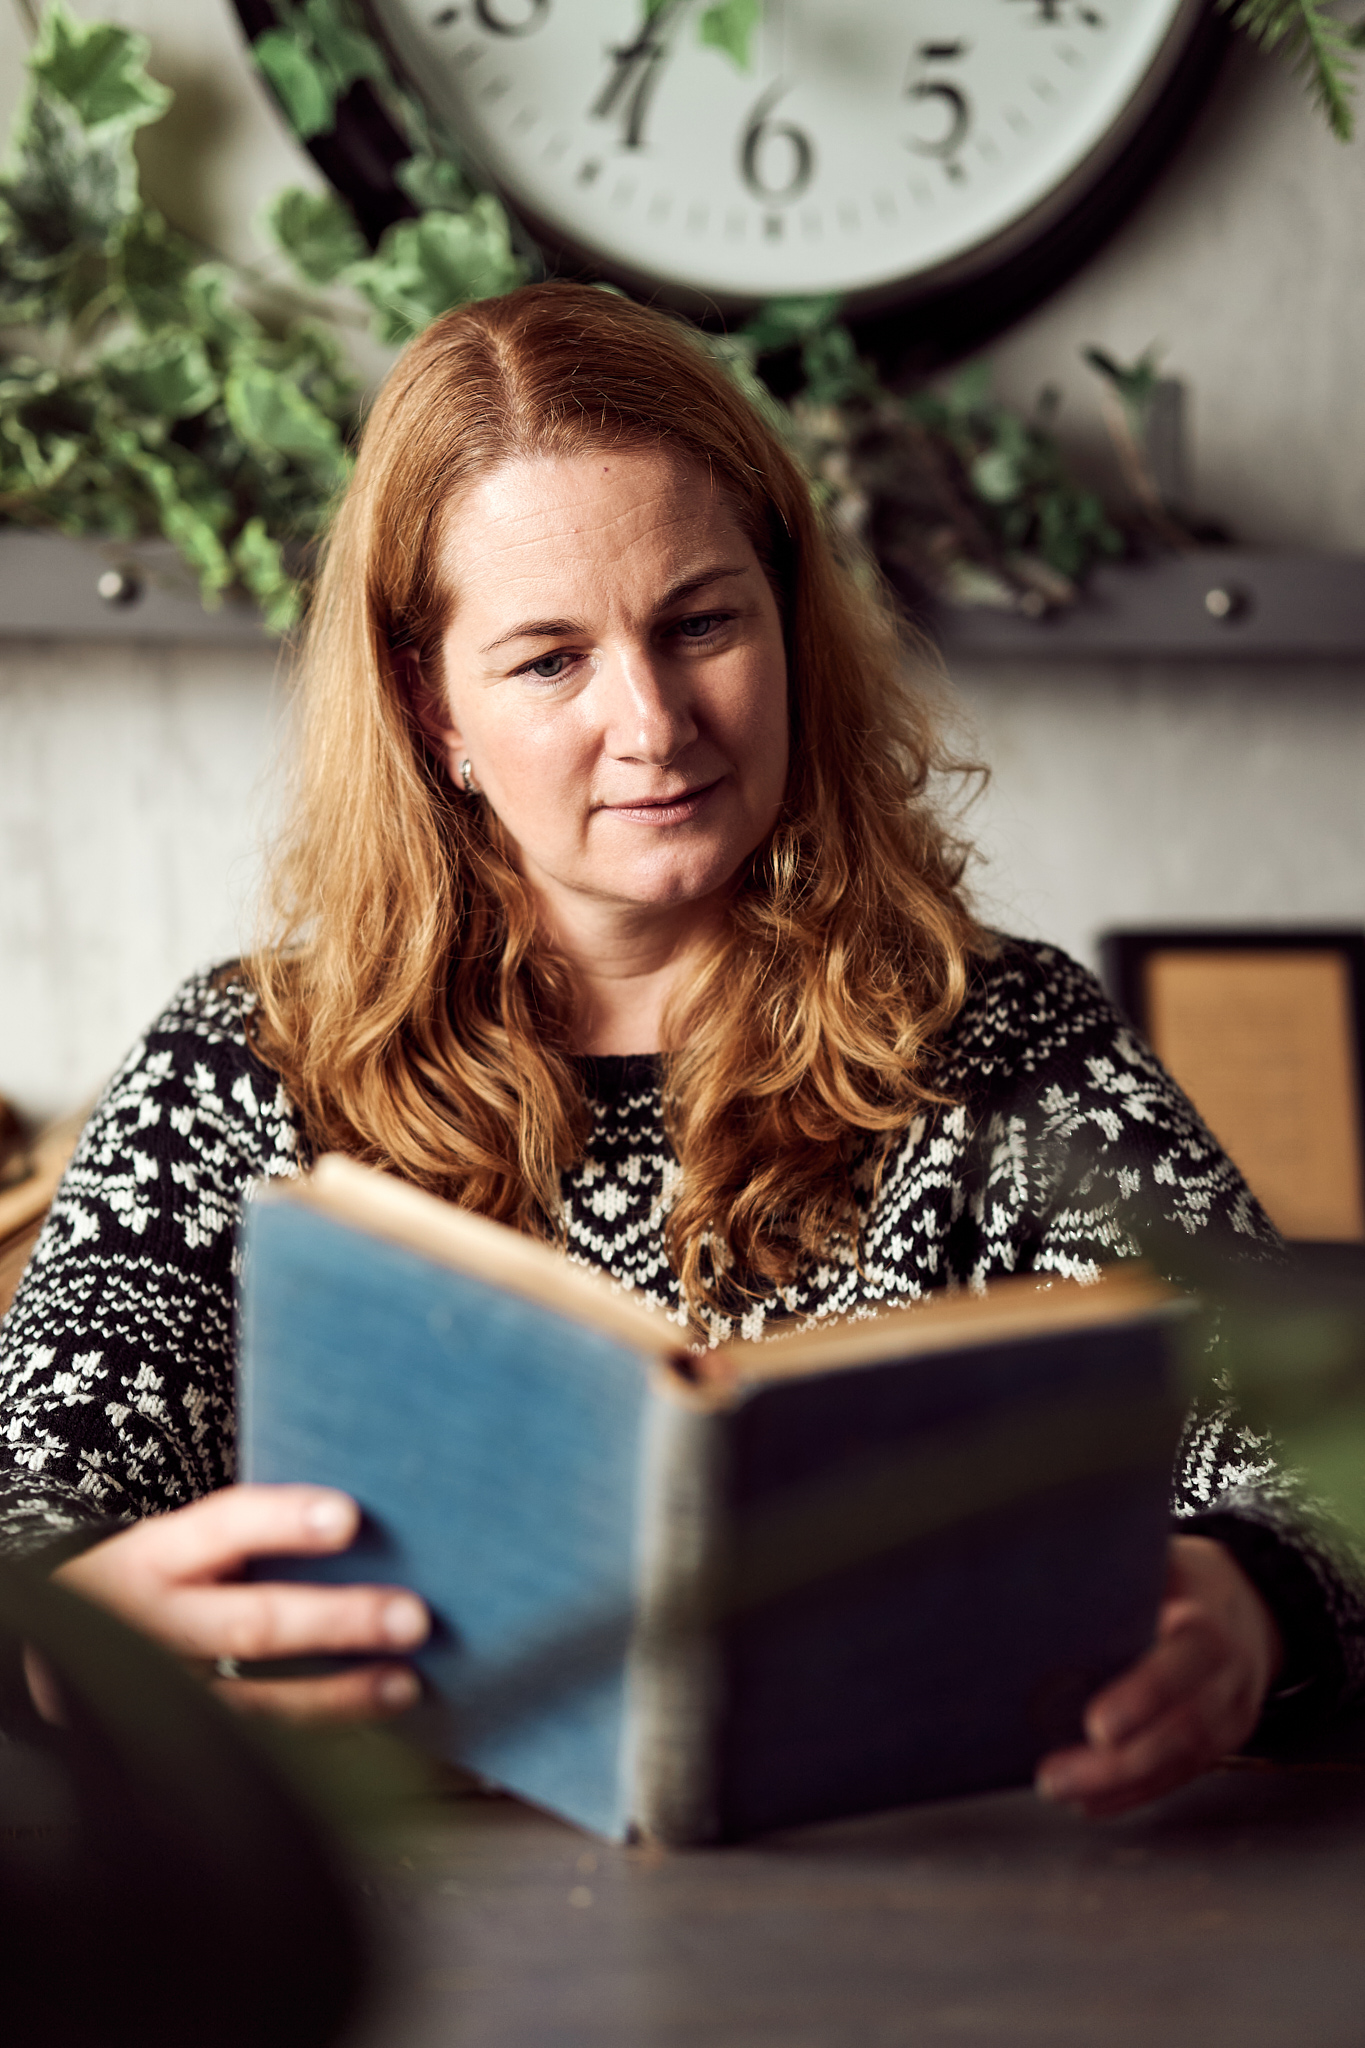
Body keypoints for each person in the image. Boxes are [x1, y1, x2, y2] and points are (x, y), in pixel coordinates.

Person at [0, 283, 1358, 1819]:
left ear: (785, 621)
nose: (651, 722)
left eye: (699, 624)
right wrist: (68, 1635)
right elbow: (35, 1505)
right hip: (407, 1914)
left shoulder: (1002, 1042)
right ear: (431, 711)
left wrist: (1250, 1609)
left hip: (920, 1906)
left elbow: (1318, 1460)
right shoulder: (242, 1069)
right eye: (548, 660)